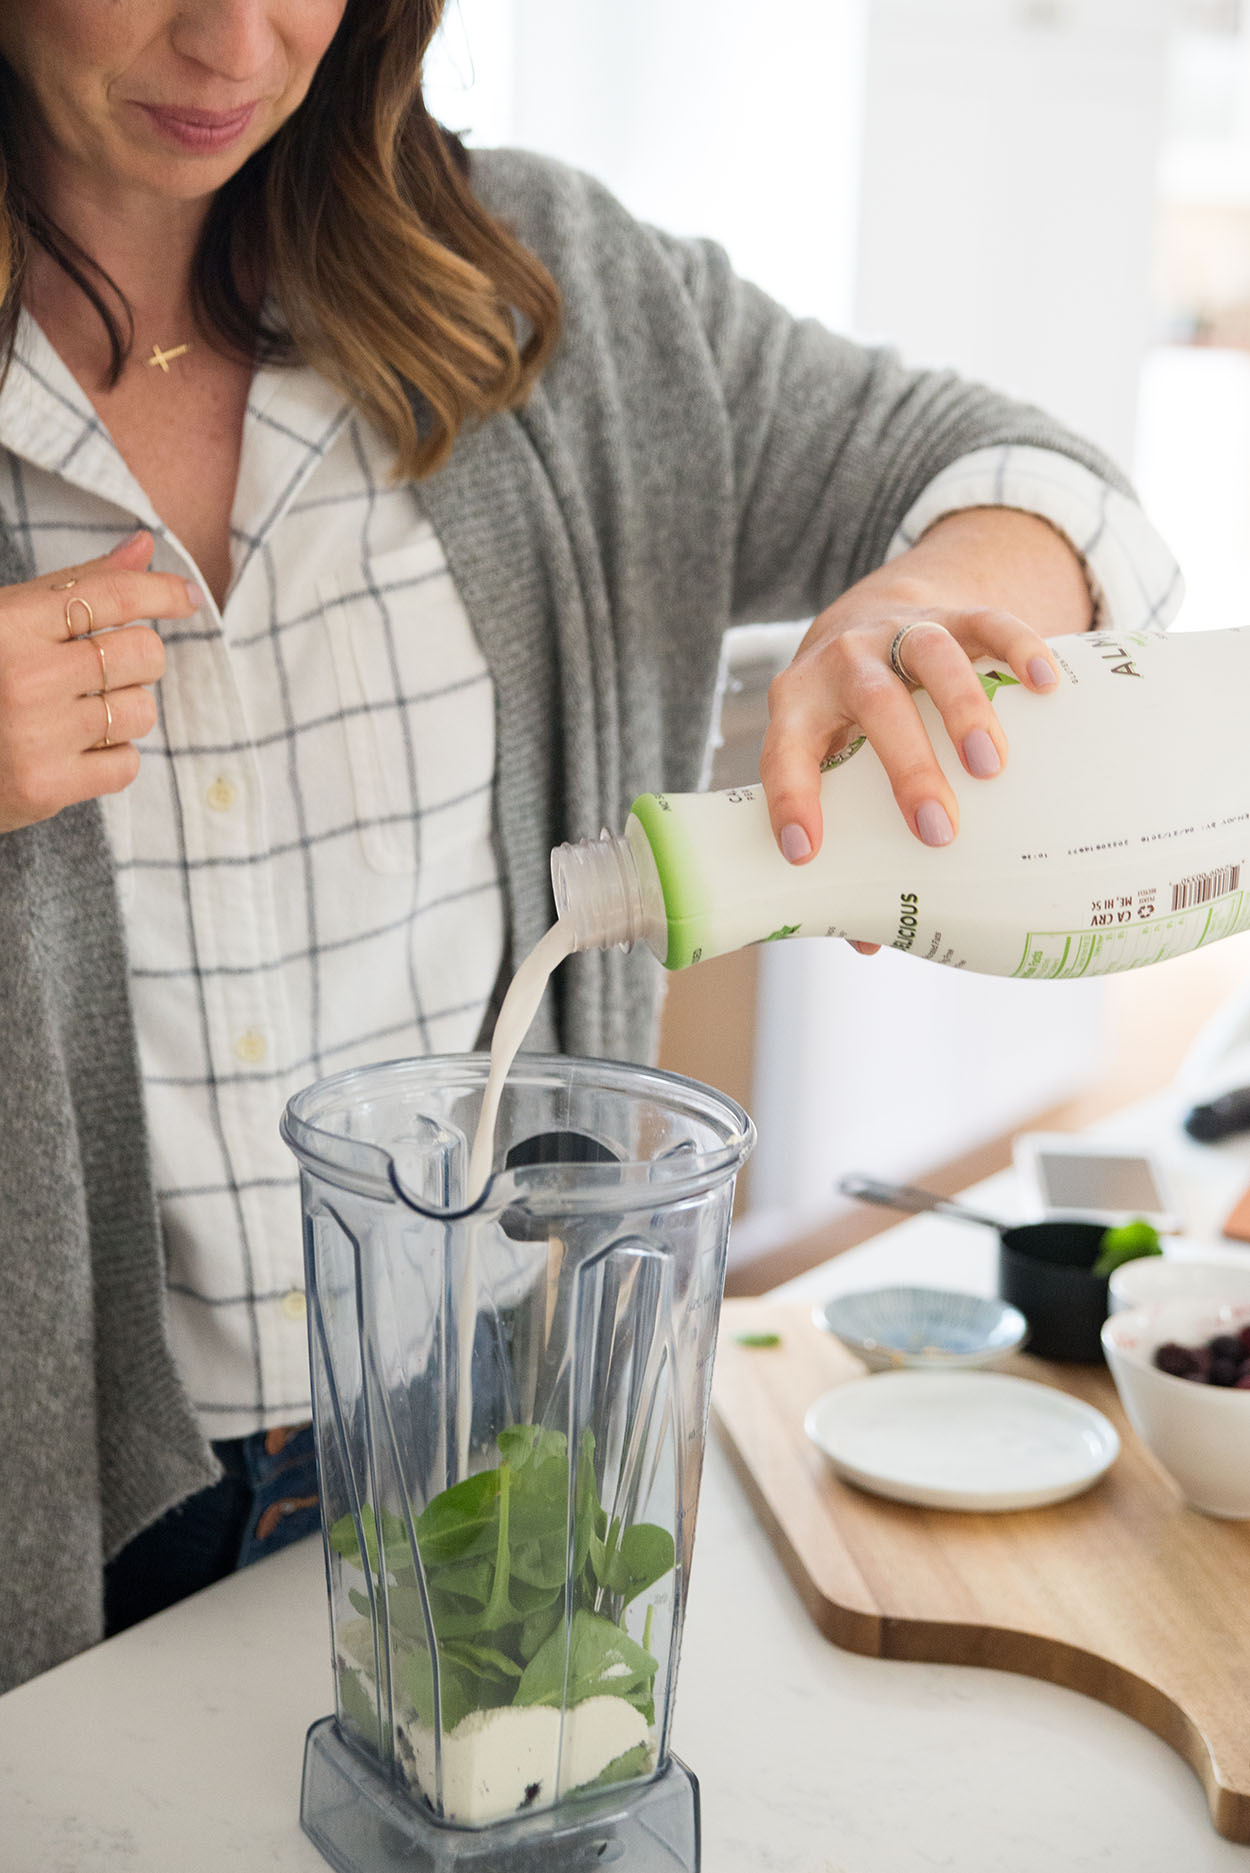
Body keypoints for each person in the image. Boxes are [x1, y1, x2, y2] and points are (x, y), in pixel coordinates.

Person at [0, 0, 1181, 1695]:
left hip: (496, 1434)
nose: (236, 39)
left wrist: (931, 596)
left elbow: (1042, 485)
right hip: (63, 1501)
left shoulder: (540, 289)